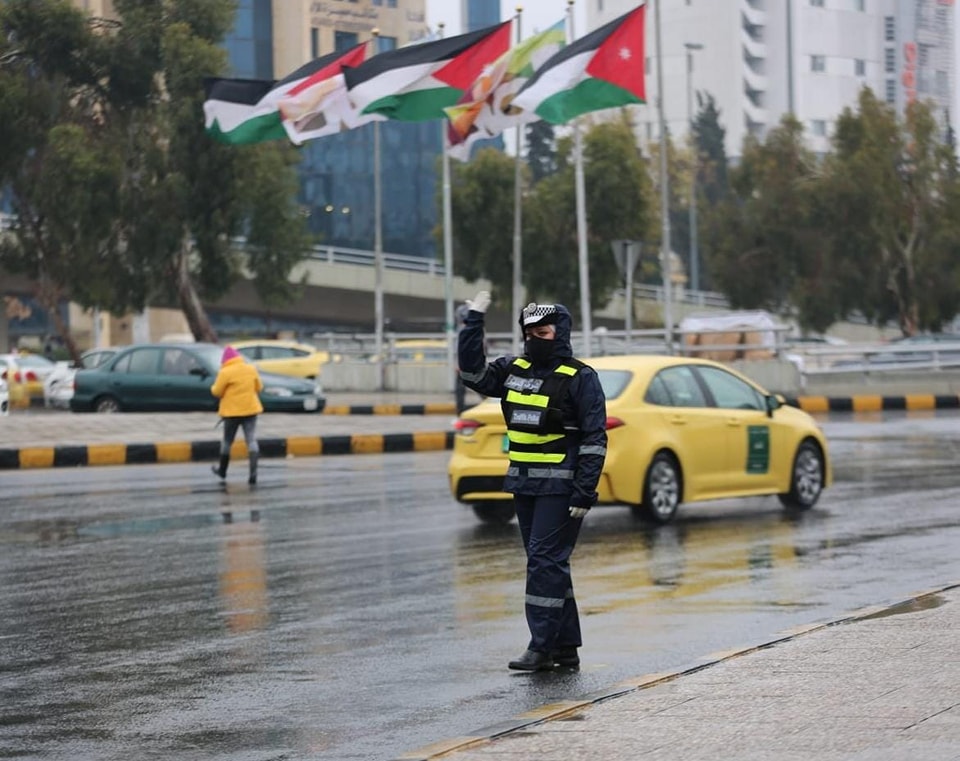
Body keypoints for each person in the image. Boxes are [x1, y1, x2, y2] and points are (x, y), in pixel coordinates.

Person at [458, 290, 607, 671]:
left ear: (561, 333)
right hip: (524, 484)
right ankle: (565, 646)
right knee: (549, 563)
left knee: (544, 561)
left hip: (560, 488)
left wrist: (584, 492)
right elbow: (473, 374)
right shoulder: (513, 370)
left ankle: (540, 646)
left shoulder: (580, 378)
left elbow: (594, 439)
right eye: (530, 333)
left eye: (544, 332)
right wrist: (473, 322)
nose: (535, 339)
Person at [210, 345, 264, 485]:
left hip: (231, 413)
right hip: (251, 410)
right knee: (251, 440)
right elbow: (259, 387)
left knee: (227, 441)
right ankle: (254, 473)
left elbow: (216, 392)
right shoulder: (250, 369)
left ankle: (222, 470)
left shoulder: (225, 372)